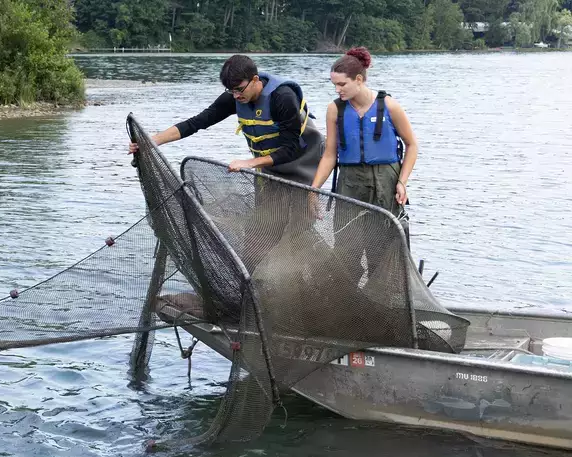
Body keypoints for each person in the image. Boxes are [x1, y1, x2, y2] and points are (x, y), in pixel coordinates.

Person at [310, 46, 418, 283]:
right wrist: (314, 190)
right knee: (345, 250)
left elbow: (412, 146)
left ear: (359, 80)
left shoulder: (389, 106)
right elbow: (330, 155)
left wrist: (402, 182)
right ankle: (348, 304)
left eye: (342, 85)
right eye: (334, 86)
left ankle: (384, 302)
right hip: (349, 185)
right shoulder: (334, 109)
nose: (337, 91)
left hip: (385, 185)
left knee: (383, 251)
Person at [128, 54, 322, 186]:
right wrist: (153, 141)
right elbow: (196, 123)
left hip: (301, 164)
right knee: (263, 227)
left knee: (299, 229)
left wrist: (249, 163)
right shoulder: (234, 96)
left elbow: (291, 148)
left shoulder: (283, 98)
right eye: (231, 91)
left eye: (239, 89)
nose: (236, 96)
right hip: (267, 166)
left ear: (255, 80)